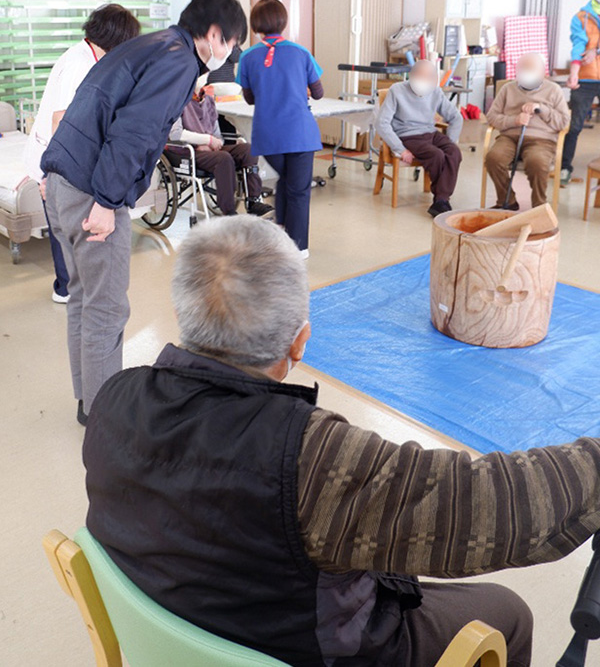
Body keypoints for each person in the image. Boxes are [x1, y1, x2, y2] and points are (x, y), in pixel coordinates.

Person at [83, 216, 600, 667]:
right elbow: (496, 505)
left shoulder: (113, 397)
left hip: (188, 622)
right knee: (507, 613)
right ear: (300, 340)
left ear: (187, 314)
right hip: (306, 648)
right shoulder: (314, 458)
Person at [41, 0, 247, 426]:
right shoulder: (176, 60)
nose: (230, 53)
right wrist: (106, 202)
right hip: (91, 189)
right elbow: (134, 133)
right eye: (231, 43)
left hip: (62, 178)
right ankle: (103, 418)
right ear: (213, 34)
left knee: (83, 298)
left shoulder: (154, 46)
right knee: (107, 308)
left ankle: (88, 401)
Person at [23, 4, 141, 302]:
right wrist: (52, 172)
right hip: (54, 159)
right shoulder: (80, 65)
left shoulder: (87, 55)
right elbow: (60, 120)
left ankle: (68, 286)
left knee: (66, 229)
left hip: (56, 158)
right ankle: (66, 288)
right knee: (65, 231)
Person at [237, 0, 323, 257]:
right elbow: (318, 93)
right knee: (298, 189)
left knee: (286, 181)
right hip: (300, 133)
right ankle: (298, 247)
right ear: (283, 22)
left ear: (256, 25)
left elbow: (250, 98)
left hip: (269, 135)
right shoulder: (301, 52)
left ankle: (282, 230)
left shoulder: (248, 57)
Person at [169, 82, 272, 216]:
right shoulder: (178, 99)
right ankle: (228, 211)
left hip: (210, 149)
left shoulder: (209, 101)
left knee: (248, 150)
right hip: (188, 151)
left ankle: (253, 201)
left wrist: (213, 142)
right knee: (223, 158)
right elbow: (175, 133)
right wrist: (206, 140)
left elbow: (217, 135)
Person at [376, 59, 463, 217]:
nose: (422, 80)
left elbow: (456, 118)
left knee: (453, 152)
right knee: (436, 155)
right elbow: (381, 122)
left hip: (430, 132)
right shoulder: (397, 90)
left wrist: (450, 141)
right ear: (411, 75)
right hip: (408, 135)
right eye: (418, 76)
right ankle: (442, 200)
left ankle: (440, 200)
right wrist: (400, 149)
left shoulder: (436, 92)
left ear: (434, 79)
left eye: (427, 77)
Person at [485, 52, 569, 210]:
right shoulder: (507, 89)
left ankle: (539, 207)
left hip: (541, 140)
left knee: (536, 162)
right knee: (493, 158)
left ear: (542, 73)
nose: (526, 73)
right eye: (522, 69)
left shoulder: (554, 90)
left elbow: (563, 122)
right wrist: (514, 120)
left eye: (531, 70)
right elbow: (492, 117)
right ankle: (507, 200)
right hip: (510, 137)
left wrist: (541, 109)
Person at [561, 0, 600, 186]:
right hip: (585, 79)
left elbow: (591, 49)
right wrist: (574, 73)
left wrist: (596, 51)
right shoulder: (581, 16)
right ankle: (565, 167)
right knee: (574, 126)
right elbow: (578, 44)